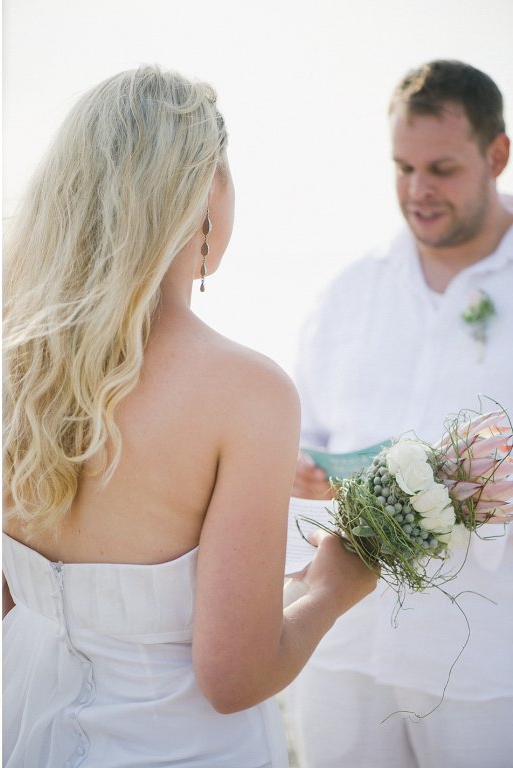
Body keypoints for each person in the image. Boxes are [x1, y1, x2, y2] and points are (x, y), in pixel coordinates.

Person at [1, 64, 378, 767]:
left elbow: (9, 604)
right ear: (206, 188)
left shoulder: (13, 369)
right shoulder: (246, 391)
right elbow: (235, 677)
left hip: (30, 731)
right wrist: (331, 587)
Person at [287, 59, 513, 768]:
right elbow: (303, 431)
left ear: (498, 155)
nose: (418, 191)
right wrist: (300, 468)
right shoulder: (347, 293)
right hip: (343, 649)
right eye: (402, 167)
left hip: (486, 660)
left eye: (442, 168)